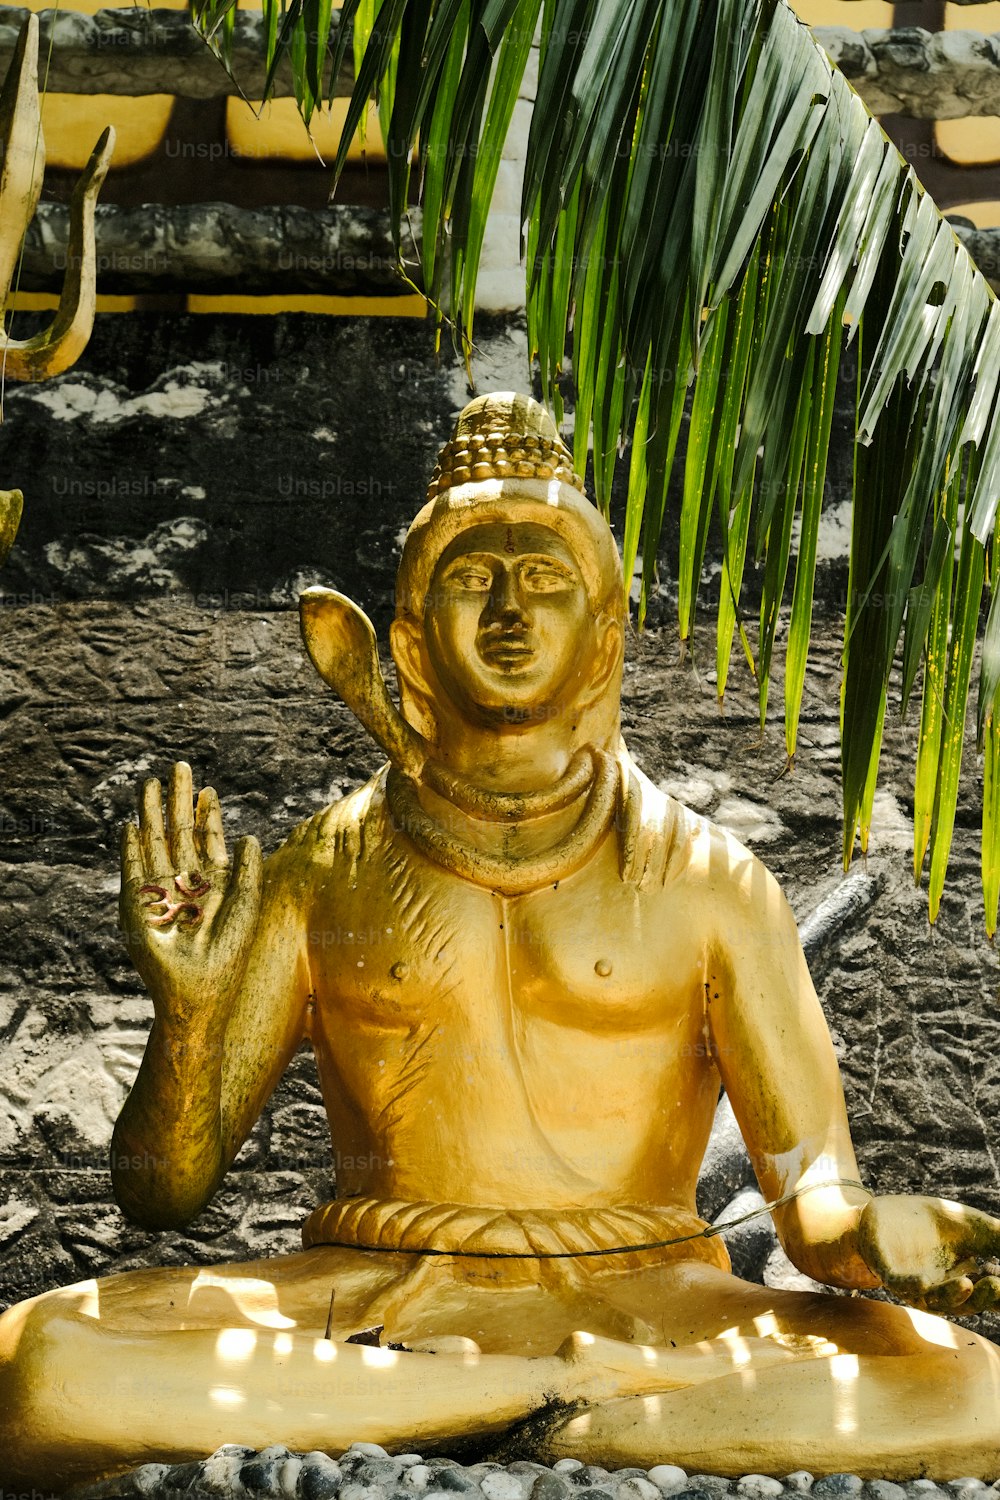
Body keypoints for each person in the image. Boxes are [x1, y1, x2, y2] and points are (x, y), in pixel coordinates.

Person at [2, 393, 999, 1489]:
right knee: (37, 1368)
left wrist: (875, 1235)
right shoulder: (320, 868)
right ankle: (555, 1406)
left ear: (605, 635)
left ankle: (462, 1412)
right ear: (413, 642)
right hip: (374, 1292)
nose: (511, 614)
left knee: (971, 1388)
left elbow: (813, 1202)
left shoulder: (710, 881)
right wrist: (187, 1016)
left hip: (658, 1300)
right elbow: (162, 1194)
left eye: (546, 584)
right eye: (473, 581)